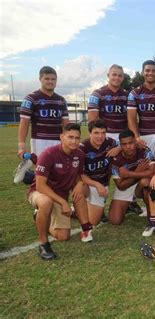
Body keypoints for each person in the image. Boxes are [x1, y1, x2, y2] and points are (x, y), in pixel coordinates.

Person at [28, 123, 92, 260]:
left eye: (77, 138)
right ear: (62, 137)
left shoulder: (79, 155)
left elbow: (77, 175)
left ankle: (85, 229)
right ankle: (43, 245)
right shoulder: (48, 154)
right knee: (46, 202)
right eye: (70, 137)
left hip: (60, 196)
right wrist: (63, 202)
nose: (74, 141)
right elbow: (40, 186)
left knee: (63, 236)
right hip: (41, 193)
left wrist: (80, 183)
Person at [15, 66, 69, 183]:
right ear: (40, 79)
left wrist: (68, 138)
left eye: (53, 79)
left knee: (57, 173)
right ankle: (29, 167)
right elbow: (24, 123)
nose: (50, 81)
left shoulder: (61, 100)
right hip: (39, 140)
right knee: (42, 174)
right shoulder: (31, 98)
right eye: (47, 79)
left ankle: (29, 165)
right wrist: (21, 145)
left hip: (58, 140)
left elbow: (66, 124)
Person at [109, 129, 155, 236]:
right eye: (124, 144)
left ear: (135, 141)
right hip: (126, 186)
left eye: (131, 143)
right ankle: (129, 205)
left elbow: (151, 173)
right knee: (115, 220)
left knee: (146, 182)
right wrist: (137, 171)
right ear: (120, 145)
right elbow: (121, 186)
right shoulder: (115, 159)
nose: (128, 146)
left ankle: (152, 219)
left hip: (140, 183)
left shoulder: (145, 150)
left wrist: (130, 174)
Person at [79, 119, 121, 225]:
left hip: (103, 184)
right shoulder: (82, 148)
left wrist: (119, 148)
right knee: (81, 187)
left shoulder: (110, 142)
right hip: (89, 183)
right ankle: (77, 209)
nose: (100, 136)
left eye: (103, 133)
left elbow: (128, 144)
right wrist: (96, 184)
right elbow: (81, 174)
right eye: (96, 133)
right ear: (90, 133)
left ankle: (83, 209)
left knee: (93, 221)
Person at [87, 64, 129, 142]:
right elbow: (92, 120)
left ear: (123, 78)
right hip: (104, 135)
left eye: (120, 76)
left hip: (123, 136)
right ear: (108, 75)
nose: (117, 78)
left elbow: (130, 118)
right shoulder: (97, 94)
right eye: (114, 75)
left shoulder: (127, 95)